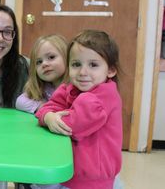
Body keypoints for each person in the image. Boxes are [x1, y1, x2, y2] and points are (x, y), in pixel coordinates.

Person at [35, 29, 122, 189]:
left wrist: (55, 118)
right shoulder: (69, 88)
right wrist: (48, 117)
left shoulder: (103, 95)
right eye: (76, 64)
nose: (83, 72)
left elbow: (72, 126)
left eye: (93, 65)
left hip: (93, 180)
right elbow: (46, 108)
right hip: (72, 173)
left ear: (110, 70)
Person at [16, 34, 67, 114]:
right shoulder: (43, 87)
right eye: (39, 62)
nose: (44, 64)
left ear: (67, 58)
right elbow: (20, 101)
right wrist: (43, 107)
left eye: (51, 57)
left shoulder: (76, 88)